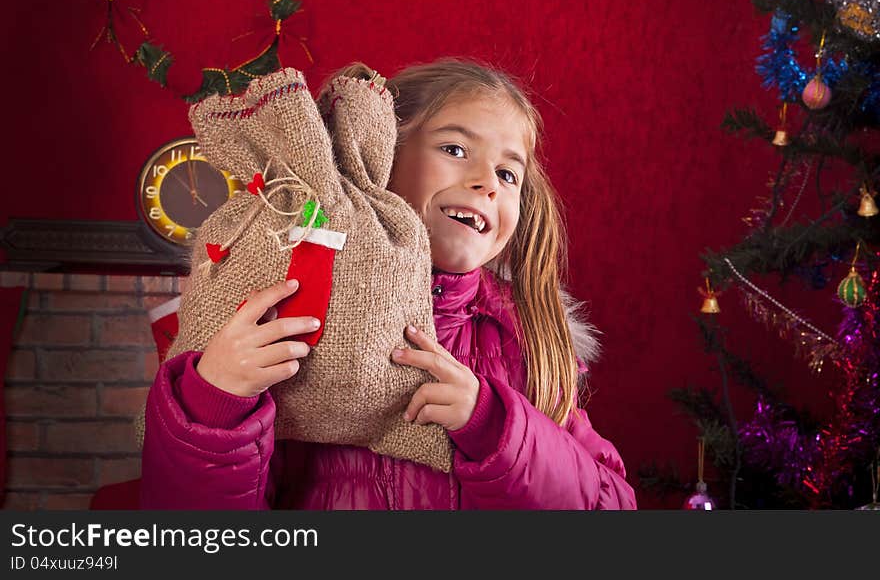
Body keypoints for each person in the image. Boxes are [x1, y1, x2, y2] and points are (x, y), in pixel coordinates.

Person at [140, 58, 637, 510]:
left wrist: (494, 427)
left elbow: (612, 505)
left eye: (509, 174)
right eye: (456, 148)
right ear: (379, 156)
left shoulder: (524, 338)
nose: (488, 181)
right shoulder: (302, 303)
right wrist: (215, 402)